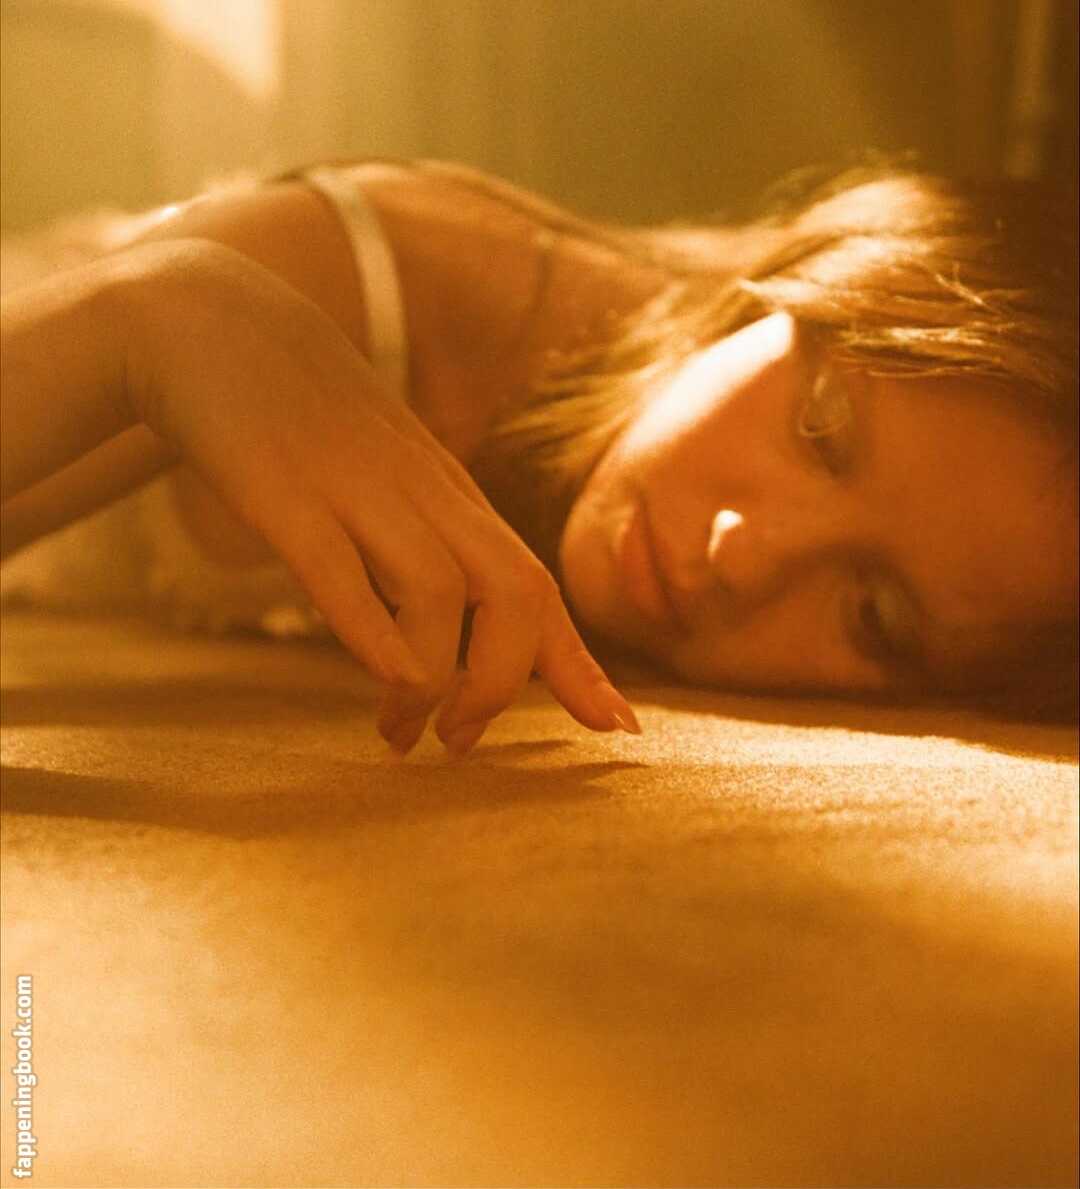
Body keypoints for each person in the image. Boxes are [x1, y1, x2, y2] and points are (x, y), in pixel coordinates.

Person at [1, 158, 1076, 755]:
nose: (747, 555)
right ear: (793, 280)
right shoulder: (360, 282)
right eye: (821, 429)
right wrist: (145, 325)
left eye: (878, 616)